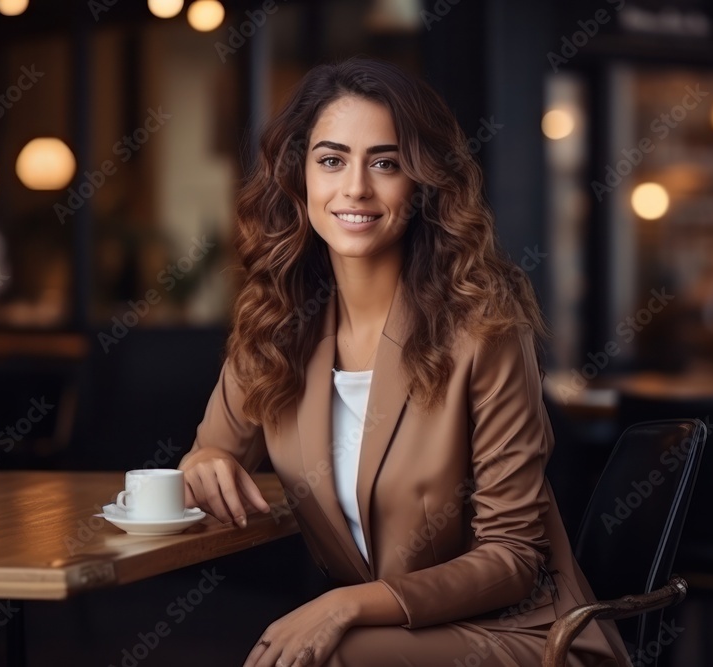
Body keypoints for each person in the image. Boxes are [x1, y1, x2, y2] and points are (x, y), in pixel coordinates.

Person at [179, 57, 628, 667]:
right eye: (332, 160)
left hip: (526, 635)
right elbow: (214, 454)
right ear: (299, 177)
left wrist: (345, 605)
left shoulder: (483, 326)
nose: (356, 188)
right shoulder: (278, 321)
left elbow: (512, 559)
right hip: (397, 638)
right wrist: (204, 458)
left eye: (386, 163)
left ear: (422, 183)